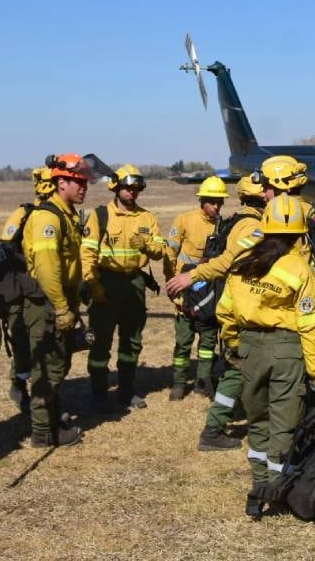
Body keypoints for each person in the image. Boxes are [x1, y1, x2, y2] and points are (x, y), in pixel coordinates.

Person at [217, 194, 315, 519]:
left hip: (251, 347)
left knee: (258, 418)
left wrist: (235, 346)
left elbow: (226, 311)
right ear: (299, 233)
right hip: (287, 349)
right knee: (284, 421)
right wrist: (313, 369)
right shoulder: (299, 267)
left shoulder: (243, 261)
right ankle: (276, 488)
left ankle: (260, 481)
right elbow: (308, 323)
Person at [165, 171, 269, 451]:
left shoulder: (231, 222)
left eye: (219, 201)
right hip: (234, 301)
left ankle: (212, 397)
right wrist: (189, 278)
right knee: (228, 359)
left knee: (223, 355)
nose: (216, 206)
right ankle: (210, 416)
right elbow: (227, 260)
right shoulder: (251, 227)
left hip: (223, 296)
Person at [82, 164, 167, 411]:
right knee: (100, 342)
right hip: (106, 282)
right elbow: (87, 252)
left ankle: (126, 391)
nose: (133, 193)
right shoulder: (100, 216)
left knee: (132, 340)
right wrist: (92, 283)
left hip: (135, 283)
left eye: (136, 189)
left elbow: (160, 251)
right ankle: (98, 394)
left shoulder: (147, 217)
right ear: (116, 188)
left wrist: (148, 247)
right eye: (128, 188)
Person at [23, 153, 93, 447]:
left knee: (59, 364)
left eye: (85, 182)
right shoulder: (47, 218)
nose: (83, 188)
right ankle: (43, 432)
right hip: (49, 306)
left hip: (61, 302)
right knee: (49, 367)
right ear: (60, 181)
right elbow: (48, 268)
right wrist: (63, 308)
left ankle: (50, 419)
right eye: (78, 182)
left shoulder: (66, 215)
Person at [0, 165, 56, 413]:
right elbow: (5, 248)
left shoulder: (62, 216)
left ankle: (45, 394)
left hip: (45, 290)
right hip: (21, 290)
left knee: (45, 342)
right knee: (22, 340)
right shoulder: (24, 213)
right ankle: (19, 384)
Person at [163, 176, 228, 401]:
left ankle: (203, 381)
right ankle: (179, 383)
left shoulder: (223, 226)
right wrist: (172, 285)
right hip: (185, 292)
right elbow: (169, 254)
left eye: (220, 202)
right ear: (202, 200)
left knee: (208, 342)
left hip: (209, 294)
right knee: (183, 342)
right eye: (212, 201)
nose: (216, 206)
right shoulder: (184, 220)